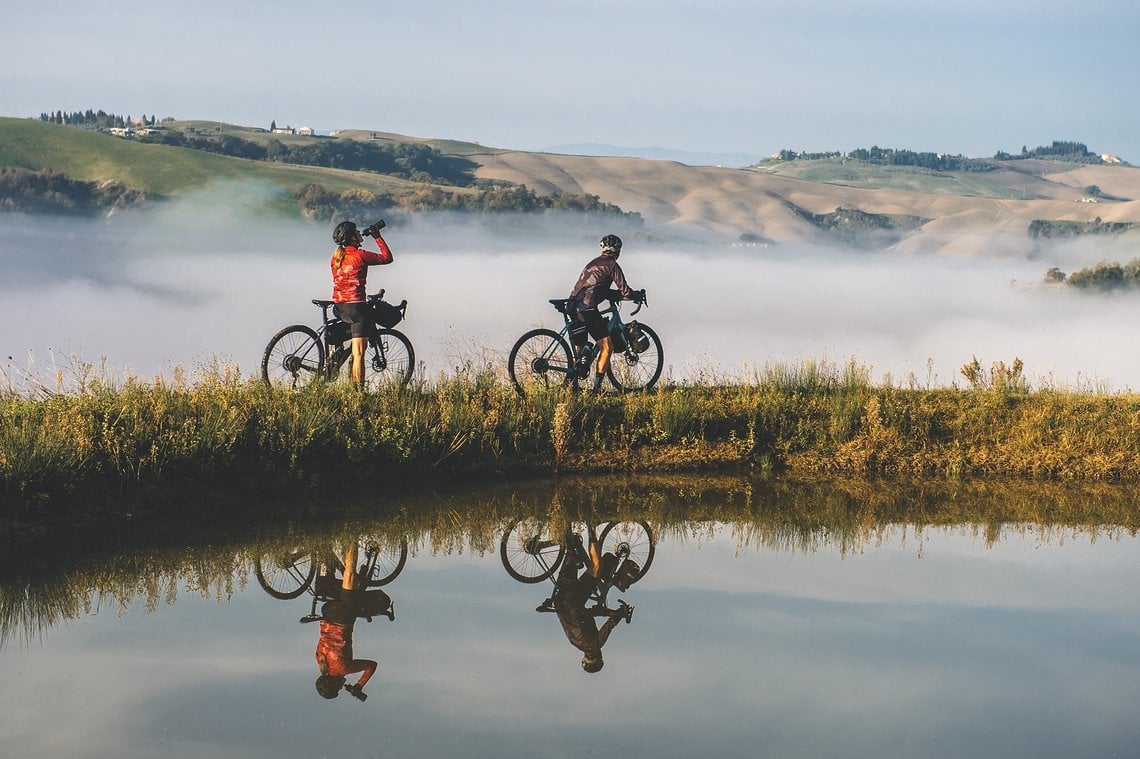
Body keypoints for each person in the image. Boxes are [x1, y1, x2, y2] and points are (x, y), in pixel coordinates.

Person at [543, 525, 632, 673]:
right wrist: (608, 612)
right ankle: (566, 531)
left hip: (573, 600)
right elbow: (587, 614)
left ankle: (591, 527)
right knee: (572, 553)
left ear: (598, 656)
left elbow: (609, 625)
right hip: (561, 599)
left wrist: (620, 614)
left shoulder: (594, 646)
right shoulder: (576, 642)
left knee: (597, 567)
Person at [568, 234, 645, 392]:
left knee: (580, 348)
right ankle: (597, 389)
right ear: (618, 251)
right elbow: (626, 291)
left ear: (602, 249)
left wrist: (614, 295)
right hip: (587, 309)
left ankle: (572, 383)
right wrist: (637, 295)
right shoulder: (612, 265)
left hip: (572, 305)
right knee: (607, 347)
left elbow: (598, 288)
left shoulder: (592, 263)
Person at [314, 542, 384, 701]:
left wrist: (359, 685)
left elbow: (371, 665)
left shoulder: (343, 669)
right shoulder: (319, 659)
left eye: (337, 688)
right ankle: (326, 549)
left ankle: (352, 536)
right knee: (329, 584)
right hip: (327, 612)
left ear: (334, 684)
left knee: (350, 573)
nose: (341, 687)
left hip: (343, 617)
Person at [330, 220, 393, 388]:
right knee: (359, 353)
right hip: (356, 308)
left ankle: (336, 352)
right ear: (353, 238)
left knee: (347, 334)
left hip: (338, 306)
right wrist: (377, 236)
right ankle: (358, 392)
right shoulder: (360, 255)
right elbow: (387, 258)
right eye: (356, 232)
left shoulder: (335, 258)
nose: (359, 233)